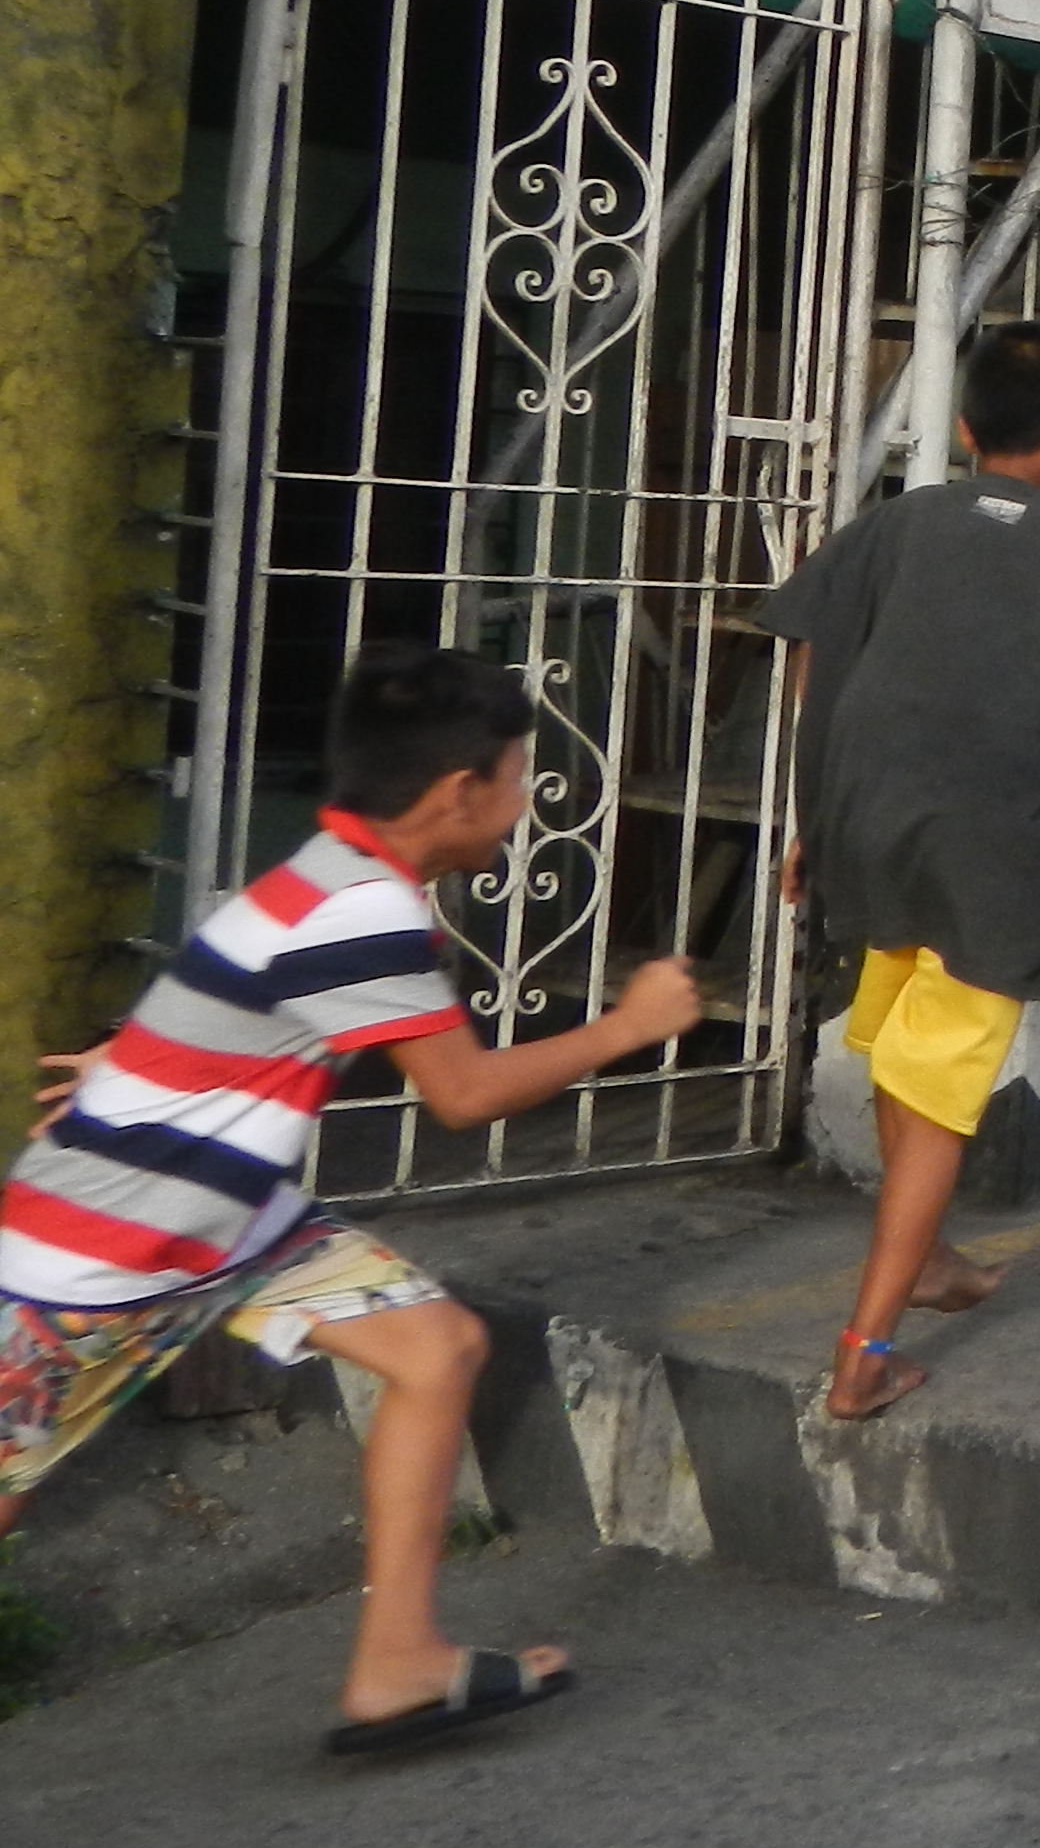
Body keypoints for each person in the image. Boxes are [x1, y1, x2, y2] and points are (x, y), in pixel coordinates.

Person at [4, 648, 702, 1752]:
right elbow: (463, 1096)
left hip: (235, 1229)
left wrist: (132, 1070)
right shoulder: (362, 908)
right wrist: (628, 1026)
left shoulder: (334, 876)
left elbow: (229, 1003)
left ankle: (397, 1663)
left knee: (437, 1348)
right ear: (456, 793)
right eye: (518, 779)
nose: (526, 806)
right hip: (101, 1258)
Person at [758, 321, 1040, 1422]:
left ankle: (935, 1255)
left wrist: (819, 807)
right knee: (945, 1089)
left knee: (908, 1063)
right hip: (990, 858)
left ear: (962, 428)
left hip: (869, 826)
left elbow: (810, 645)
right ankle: (863, 1357)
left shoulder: (898, 523)